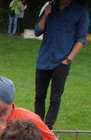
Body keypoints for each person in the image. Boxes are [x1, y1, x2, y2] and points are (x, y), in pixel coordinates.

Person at [34, 0, 90, 129]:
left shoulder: (80, 12)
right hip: (44, 59)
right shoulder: (49, 8)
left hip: (62, 61)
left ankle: (48, 127)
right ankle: (37, 125)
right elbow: (38, 31)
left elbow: (81, 39)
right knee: (39, 96)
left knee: (55, 98)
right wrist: (46, 14)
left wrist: (68, 60)